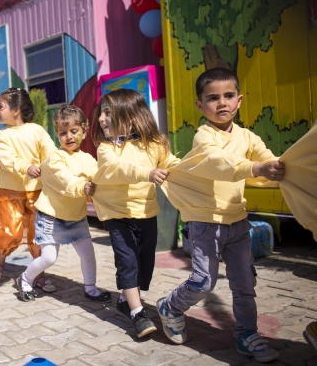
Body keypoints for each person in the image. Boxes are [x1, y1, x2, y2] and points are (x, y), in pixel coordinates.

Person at [158, 68, 284, 362]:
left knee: (244, 282)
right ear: (201, 106)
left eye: (228, 96)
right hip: (204, 224)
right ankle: (171, 306)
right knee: (204, 282)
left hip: (238, 222)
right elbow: (219, 162)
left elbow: (265, 157)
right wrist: (255, 169)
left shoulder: (247, 137)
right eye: (213, 98)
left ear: (239, 100)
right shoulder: (204, 137)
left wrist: (275, 167)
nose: (222, 102)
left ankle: (246, 334)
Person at [91, 89, 180, 337]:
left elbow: (173, 166)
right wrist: (147, 173)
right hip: (117, 215)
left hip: (146, 212)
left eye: (108, 113)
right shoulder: (106, 149)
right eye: (101, 113)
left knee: (144, 264)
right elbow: (117, 169)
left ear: (131, 114)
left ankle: (125, 300)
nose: (101, 119)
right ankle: (138, 313)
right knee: (127, 262)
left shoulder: (155, 145)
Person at [16, 105, 111, 304]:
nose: (68, 136)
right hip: (51, 217)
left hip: (76, 217)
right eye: (62, 133)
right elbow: (64, 179)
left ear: (84, 131)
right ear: (57, 135)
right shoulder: (56, 158)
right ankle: (25, 279)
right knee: (49, 258)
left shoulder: (88, 159)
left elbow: (100, 177)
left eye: (74, 131)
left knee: (88, 254)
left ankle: (91, 288)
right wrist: (82, 187)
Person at [0, 88, 56, 289]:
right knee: (9, 233)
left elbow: (50, 153)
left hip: (37, 193)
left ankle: (38, 272)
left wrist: (51, 167)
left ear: (16, 110)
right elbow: (8, 160)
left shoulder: (37, 130)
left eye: (1, 107)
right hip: (10, 193)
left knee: (38, 235)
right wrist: (27, 167)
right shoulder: (1, 135)